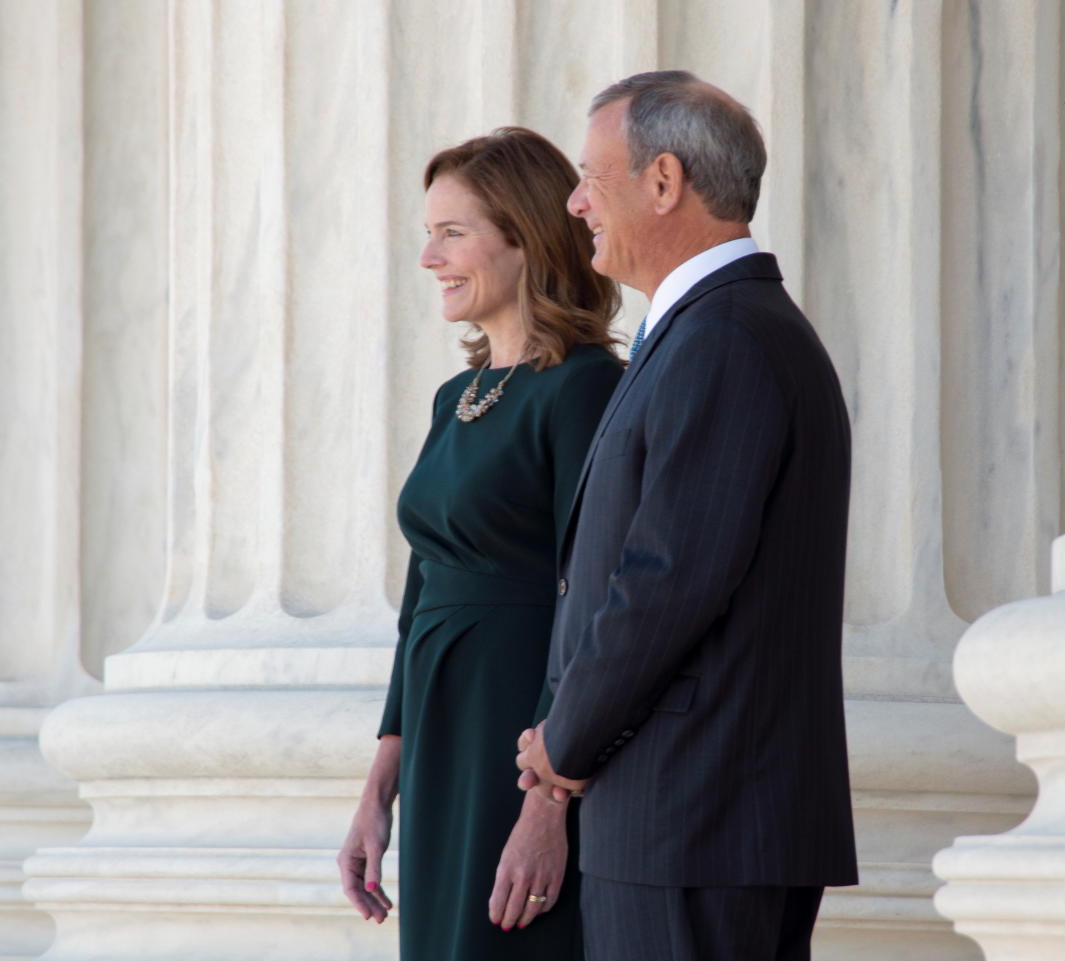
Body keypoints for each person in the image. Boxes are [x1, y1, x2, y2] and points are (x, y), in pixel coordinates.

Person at [515, 71, 857, 961]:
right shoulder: (713, 328)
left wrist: (564, 739)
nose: (575, 200)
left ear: (664, 182)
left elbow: (668, 578)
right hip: (697, 812)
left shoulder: (727, 337)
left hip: (697, 814)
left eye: (593, 175)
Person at [337, 126, 623, 960]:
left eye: (451, 232)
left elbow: (597, 599)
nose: (430, 258)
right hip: (438, 729)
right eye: (428, 234)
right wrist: (379, 784)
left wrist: (548, 801)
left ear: (525, 237)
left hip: (518, 732)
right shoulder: (454, 397)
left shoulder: (585, 387)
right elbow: (423, 591)